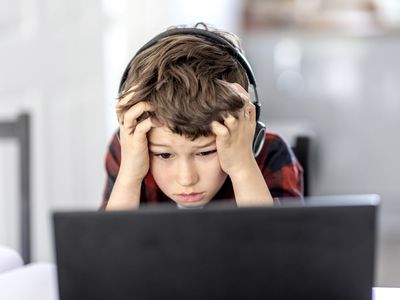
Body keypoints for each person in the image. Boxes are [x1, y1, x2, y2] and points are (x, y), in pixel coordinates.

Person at [101, 23, 303, 210]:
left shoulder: (272, 152)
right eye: (164, 155)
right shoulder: (129, 149)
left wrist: (243, 168)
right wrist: (129, 176)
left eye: (206, 152)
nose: (187, 179)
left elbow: (276, 244)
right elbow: (109, 246)